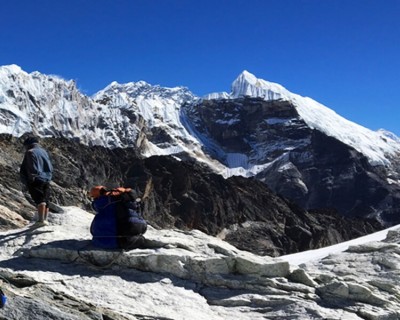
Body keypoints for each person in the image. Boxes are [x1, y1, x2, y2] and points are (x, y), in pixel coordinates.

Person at [20, 136, 53, 227]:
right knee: (45, 199)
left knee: (39, 199)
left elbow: (32, 166)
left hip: (36, 179)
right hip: (47, 178)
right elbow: (50, 165)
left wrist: (31, 178)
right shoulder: (43, 151)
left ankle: (40, 221)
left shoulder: (30, 152)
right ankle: (45, 220)